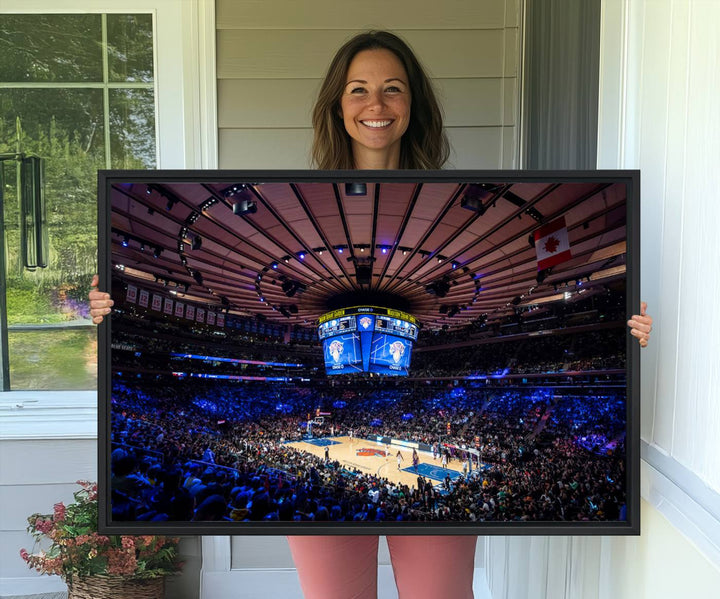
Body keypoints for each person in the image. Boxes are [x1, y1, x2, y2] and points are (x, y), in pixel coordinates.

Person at [89, 29, 653, 599]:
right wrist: (107, 312)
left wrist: (625, 329)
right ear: (337, 104)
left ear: (414, 105)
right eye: (358, 89)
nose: (375, 105)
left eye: (393, 89)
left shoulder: (459, 190)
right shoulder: (303, 192)